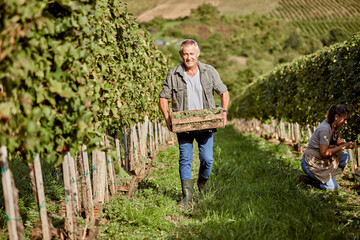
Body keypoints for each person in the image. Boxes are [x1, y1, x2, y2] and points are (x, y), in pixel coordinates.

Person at [159, 39, 230, 206]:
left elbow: (224, 92)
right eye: (185, 54)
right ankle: (187, 196)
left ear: (197, 53)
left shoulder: (209, 71)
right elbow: (163, 97)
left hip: (205, 123)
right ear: (181, 55)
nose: (188, 57)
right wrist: (168, 118)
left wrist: (224, 112)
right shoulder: (173, 74)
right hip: (183, 124)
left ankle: (202, 183)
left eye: (191, 53)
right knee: (185, 158)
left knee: (207, 159)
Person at [299, 105, 356, 190]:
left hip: (321, 161)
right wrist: (343, 147)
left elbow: (331, 143)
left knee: (345, 156)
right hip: (311, 163)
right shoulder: (325, 129)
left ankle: (329, 179)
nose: (346, 122)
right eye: (344, 119)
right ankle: (310, 181)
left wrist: (344, 144)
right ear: (336, 117)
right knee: (332, 187)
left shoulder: (334, 126)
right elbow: (324, 153)